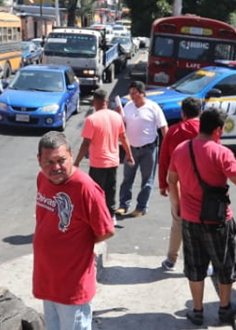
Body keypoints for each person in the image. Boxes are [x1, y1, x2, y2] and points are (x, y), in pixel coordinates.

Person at [33, 131, 115, 330]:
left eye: (61, 160)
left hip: (73, 279)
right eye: (48, 162)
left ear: (72, 157)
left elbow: (105, 229)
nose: (55, 167)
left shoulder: (85, 187)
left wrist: (77, 249)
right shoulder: (43, 179)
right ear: (39, 162)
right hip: (48, 275)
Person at [167, 108, 236, 326]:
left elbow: (171, 180)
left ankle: (197, 311)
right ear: (217, 130)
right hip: (218, 221)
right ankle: (224, 308)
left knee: (195, 266)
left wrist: (177, 205)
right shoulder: (221, 153)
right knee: (225, 264)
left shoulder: (181, 149)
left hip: (190, 219)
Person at [157, 96, 203, 270]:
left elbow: (164, 159)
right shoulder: (208, 132)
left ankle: (171, 259)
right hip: (203, 186)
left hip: (177, 185)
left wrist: (163, 184)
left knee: (178, 222)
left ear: (183, 113)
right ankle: (201, 263)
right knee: (203, 224)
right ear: (201, 112)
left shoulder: (174, 131)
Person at [76, 89, 134, 217]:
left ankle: (96, 217)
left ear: (94, 102)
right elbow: (123, 137)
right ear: (107, 101)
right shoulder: (116, 117)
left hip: (97, 163)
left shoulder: (91, 119)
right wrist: (129, 155)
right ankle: (110, 216)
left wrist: (76, 162)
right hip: (113, 161)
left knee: (95, 191)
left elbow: (85, 143)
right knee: (110, 190)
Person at [117, 80, 167, 217]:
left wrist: (167, 146)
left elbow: (163, 126)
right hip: (131, 149)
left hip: (148, 149)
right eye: (131, 93)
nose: (132, 96)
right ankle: (123, 205)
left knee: (147, 180)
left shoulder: (153, 107)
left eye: (135, 93)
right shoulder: (128, 106)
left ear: (142, 93)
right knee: (127, 178)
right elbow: (123, 123)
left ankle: (141, 207)